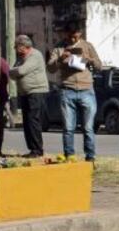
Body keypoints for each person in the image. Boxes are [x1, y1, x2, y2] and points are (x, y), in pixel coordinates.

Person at [47, 23, 102, 161]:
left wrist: (90, 60)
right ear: (65, 34)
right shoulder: (59, 47)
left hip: (86, 89)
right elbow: (50, 68)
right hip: (67, 90)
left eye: (75, 36)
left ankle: (90, 157)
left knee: (88, 127)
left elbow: (99, 66)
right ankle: (69, 155)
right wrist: (60, 59)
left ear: (80, 34)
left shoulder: (88, 46)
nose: (72, 39)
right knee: (68, 127)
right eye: (70, 36)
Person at [9, 34, 49, 158]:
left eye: (16, 47)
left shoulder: (35, 55)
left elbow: (21, 71)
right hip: (25, 93)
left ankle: (38, 149)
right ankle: (32, 149)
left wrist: (14, 71)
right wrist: (14, 71)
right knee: (26, 121)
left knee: (33, 120)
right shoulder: (20, 57)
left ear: (23, 46)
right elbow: (11, 73)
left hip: (36, 91)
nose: (15, 49)